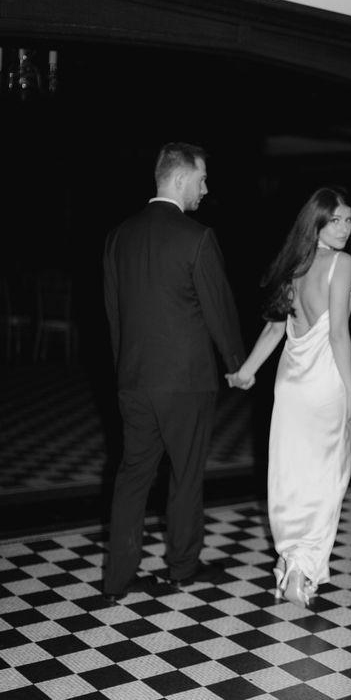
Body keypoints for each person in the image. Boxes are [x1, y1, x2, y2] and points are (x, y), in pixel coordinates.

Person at [102, 142, 246, 603]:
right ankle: (183, 567)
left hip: (134, 378)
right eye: (202, 179)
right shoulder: (197, 237)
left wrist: (125, 367)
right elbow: (219, 310)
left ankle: (118, 578)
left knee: (132, 475)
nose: (206, 189)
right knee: (186, 474)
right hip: (186, 382)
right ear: (181, 179)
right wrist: (239, 367)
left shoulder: (118, 235)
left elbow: (113, 315)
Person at [226, 186, 351, 608]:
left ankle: (290, 563)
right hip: (323, 384)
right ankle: (301, 571)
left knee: (290, 474)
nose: (345, 227)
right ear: (318, 223)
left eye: (348, 219)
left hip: (289, 383)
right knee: (326, 478)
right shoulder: (341, 264)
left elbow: (273, 328)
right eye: (336, 219)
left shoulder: (294, 264)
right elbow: (338, 333)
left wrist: (247, 371)